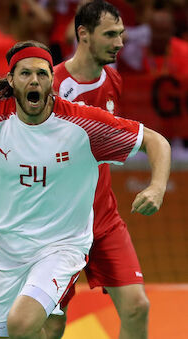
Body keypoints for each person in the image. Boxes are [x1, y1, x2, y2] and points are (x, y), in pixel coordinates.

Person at [0, 40, 171, 339]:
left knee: (21, 324)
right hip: (7, 251)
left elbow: (155, 141)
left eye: (41, 73)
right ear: (12, 80)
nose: (34, 80)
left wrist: (157, 186)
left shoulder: (82, 124)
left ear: (52, 79)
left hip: (62, 246)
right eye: (25, 74)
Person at [48, 2, 154, 338]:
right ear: (83, 35)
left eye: (121, 34)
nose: (120, 42)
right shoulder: (50, 84)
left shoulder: (113, 79)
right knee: (51, 325)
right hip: (55, 226)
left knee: (137, 307)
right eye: (110, 34)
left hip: (102, 218)